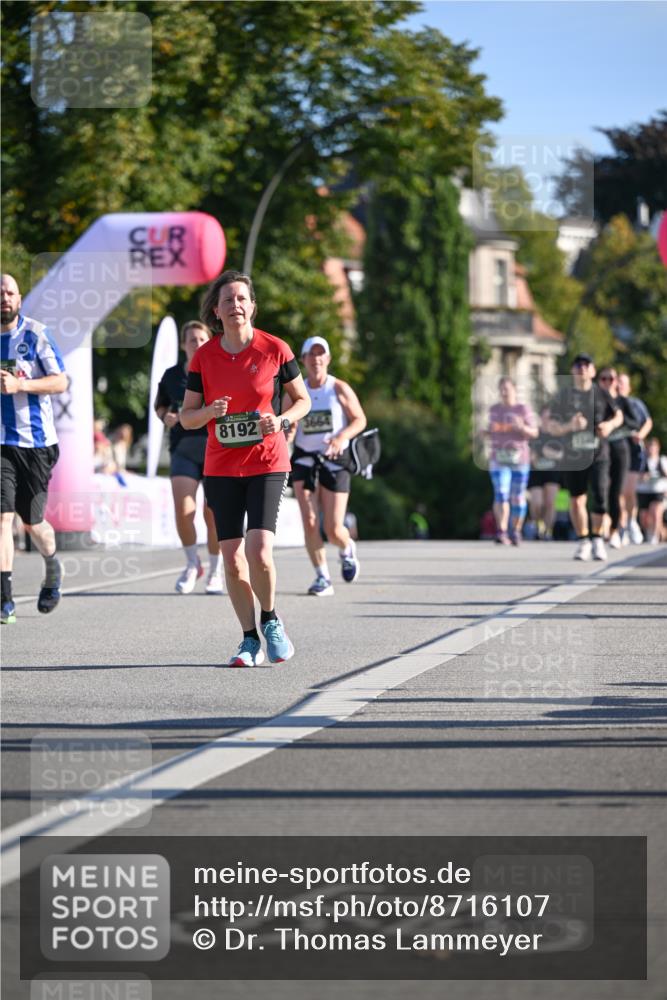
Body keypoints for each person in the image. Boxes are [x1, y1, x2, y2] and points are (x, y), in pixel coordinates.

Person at [180, 270, 311, 666]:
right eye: (227, 301)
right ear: (216, 312)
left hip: (267, 461)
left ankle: (271, 620)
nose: (235, 305)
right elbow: (187, 418)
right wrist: (208, 412)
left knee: (258, 551)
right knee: (232, 558)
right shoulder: (204, 357)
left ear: (252, 306)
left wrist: (283, 420)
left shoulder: (275, 349)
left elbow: (301, 400)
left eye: (241, 298)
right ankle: (249, 638)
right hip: (221, 466)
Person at [1, 273, 68, 624]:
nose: (4, 298)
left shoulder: (35, 334)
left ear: (19, 298)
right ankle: (5, 597)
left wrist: (20, 384)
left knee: (34, 522)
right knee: (2, 517)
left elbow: (61, 381)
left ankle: (52, 566)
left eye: (9, 292)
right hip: (1, 445)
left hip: (36, 443)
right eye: (0, 293)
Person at [290, 336, 366, 596]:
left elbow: (360, 420)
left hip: (335, 461)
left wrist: (341, 437)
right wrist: (287, 431)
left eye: (321, 354)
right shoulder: (296, 390)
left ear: (328, 359)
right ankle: (322, 577)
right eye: (311, 354)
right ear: (303, 360)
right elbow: (287, 422)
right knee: (310, 522)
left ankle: (346, 548)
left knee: (333, 529)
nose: (316, 359)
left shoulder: (339, 388)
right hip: (305, 460)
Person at [154, 320, 224, 594]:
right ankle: (193, 563)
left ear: (209, 342)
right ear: (184, 345)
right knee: (184, 511)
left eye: (201, 339)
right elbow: (160, 406)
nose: (197, 344)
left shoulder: (218, 371)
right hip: (183, 450)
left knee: (212, 513)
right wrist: (166, 417)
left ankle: (216, 568)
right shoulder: (171, 376)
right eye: (192, 340)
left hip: (214, 450)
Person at [545, 352, 623, 561]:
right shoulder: (563, 396)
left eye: (586, 365)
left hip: (598, 455)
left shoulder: (601, 393)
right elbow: (550, 426)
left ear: (593, 370)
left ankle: (597, 539)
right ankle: (583, 541)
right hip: (573, 457)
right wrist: (569, 426)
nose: (582, 368)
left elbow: (618, 415)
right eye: (578, 365)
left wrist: (609, 425)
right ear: (572, 370)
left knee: (600, 498)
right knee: (577, 500)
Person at [486, 377, 538, 546]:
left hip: (519, 459)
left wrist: (521, 427)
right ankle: (501, 531)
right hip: (498, 458)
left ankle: (515, 530)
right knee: (501, 493)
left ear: (515, 390)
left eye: (507, 389)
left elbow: (534, 432)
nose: (504, 392)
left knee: (517, 497)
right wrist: (485, 433)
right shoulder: (494, 410)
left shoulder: (523, 409)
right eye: (501, 389)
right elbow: (491, 431)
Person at [617, 373, 653, 544]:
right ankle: (621, 524)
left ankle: (631, 521)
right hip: (617, 451)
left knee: (629, 491)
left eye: (623, 383)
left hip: (633, 451)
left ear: (629, 387)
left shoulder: (636, 404)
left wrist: (640, 435)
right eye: (618, 383)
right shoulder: (612, 404)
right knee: (619, 492)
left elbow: (648, 422)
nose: (620, 386)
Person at [527, 405, 563, 540]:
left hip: (553, 471)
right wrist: (533, 456)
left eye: (550, 417)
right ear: (541, 418)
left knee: (550, 503)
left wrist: (544, 452)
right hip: (536, 472)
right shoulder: (535, 434)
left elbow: (560, 454)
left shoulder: (558, 435)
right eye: (545, 417)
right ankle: (538, 524)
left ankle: (547, 531)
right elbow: (529, 453)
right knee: (537, 503)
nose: (547, 420)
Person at [636, 437, 667, 544]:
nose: (651, 449)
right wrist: (642, 477)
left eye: (653, 447)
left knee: (656, 514)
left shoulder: (662, 460)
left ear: (658, 448)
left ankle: (654, 536)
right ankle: (648, 532)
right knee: (644, 518)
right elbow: (634, 477)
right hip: (643, 491)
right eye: (649, 447)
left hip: (658, 490)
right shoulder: (641, 461)